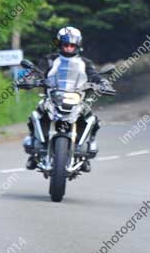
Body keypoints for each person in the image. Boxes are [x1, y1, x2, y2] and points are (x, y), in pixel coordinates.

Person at [21, 26, 109, 172]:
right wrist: (30, 79)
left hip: (76, 98)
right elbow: (38, 72)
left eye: (72, 45)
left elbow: (94, 75)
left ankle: (86, 151)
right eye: (65, 44)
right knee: (36, 113)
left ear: (78, 45)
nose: (68, 48)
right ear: (59, 45)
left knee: (92, 119)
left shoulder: (85, 63)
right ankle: (34, 150)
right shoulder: (49, 60)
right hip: (53, 97)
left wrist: (103, 83)